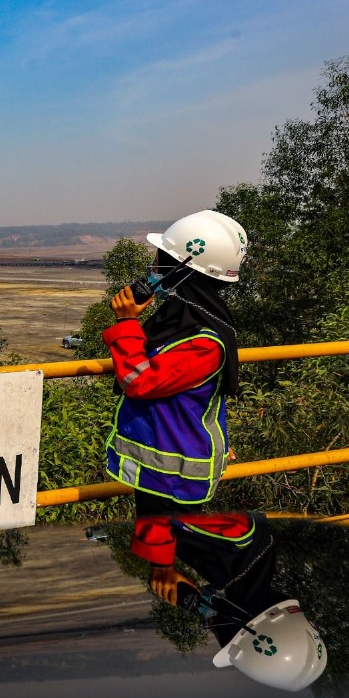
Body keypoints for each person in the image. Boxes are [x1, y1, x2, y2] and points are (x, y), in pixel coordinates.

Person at [103, 210, 247, 513]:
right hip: (162, 462)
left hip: (176, 475)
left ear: (183, 270)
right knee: (157, 550)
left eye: (161, 261)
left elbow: (139, 381)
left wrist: (127, 323)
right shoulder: (182, 318)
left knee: (167, 549)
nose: (154, 269)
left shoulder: (204, 342)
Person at [131, 512, 327, 692]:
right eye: (219, 631)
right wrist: (160, 562)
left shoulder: (245, 560)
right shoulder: (237, 535)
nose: (210, 623)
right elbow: (164, 498)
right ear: (246, 624)